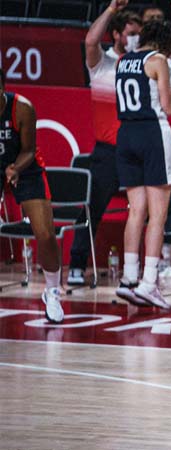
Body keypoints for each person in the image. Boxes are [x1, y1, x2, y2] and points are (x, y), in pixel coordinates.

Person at [69, 0, 171, 287]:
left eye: (139, 32)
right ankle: (82, 265)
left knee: (152, 210)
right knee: (97, 207)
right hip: (116, 147)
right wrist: (112, 9)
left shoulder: (137, 60)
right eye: (129, 32)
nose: (135, 37)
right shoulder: (103, 64)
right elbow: (90, 40)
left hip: (127, 142)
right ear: (115, 34)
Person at [113, 20, 171, 309]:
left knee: (135, 211)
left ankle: (128, 278)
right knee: (158, 214)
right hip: (152, 132)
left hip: (125, 133)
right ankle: (149, 283)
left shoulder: (123, 60)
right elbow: (168, 106)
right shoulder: (158, 60)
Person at [0, 70, 65, 324]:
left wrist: (15, 169)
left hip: (25, 166)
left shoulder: (22, 108)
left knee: (46, 233)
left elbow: (28, 149)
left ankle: (52, 292)